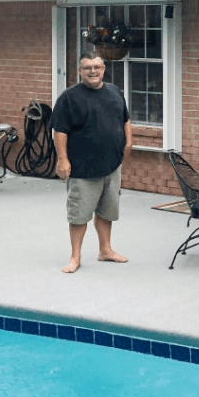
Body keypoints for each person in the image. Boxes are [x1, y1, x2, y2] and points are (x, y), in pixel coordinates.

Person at [51, 52, 132, 273]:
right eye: (87, 68)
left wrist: (128, 143)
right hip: (82, 168)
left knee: (107, 211)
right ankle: (75, 257)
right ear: (80, 71)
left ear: (104, 68)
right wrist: (63, 160)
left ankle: (105, 250)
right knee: (79, 214)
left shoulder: (114, 91)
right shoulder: (69, 97)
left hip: (112, 165)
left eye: (97, 67)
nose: (93, 71)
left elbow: (125, 119)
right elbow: (59, 130)